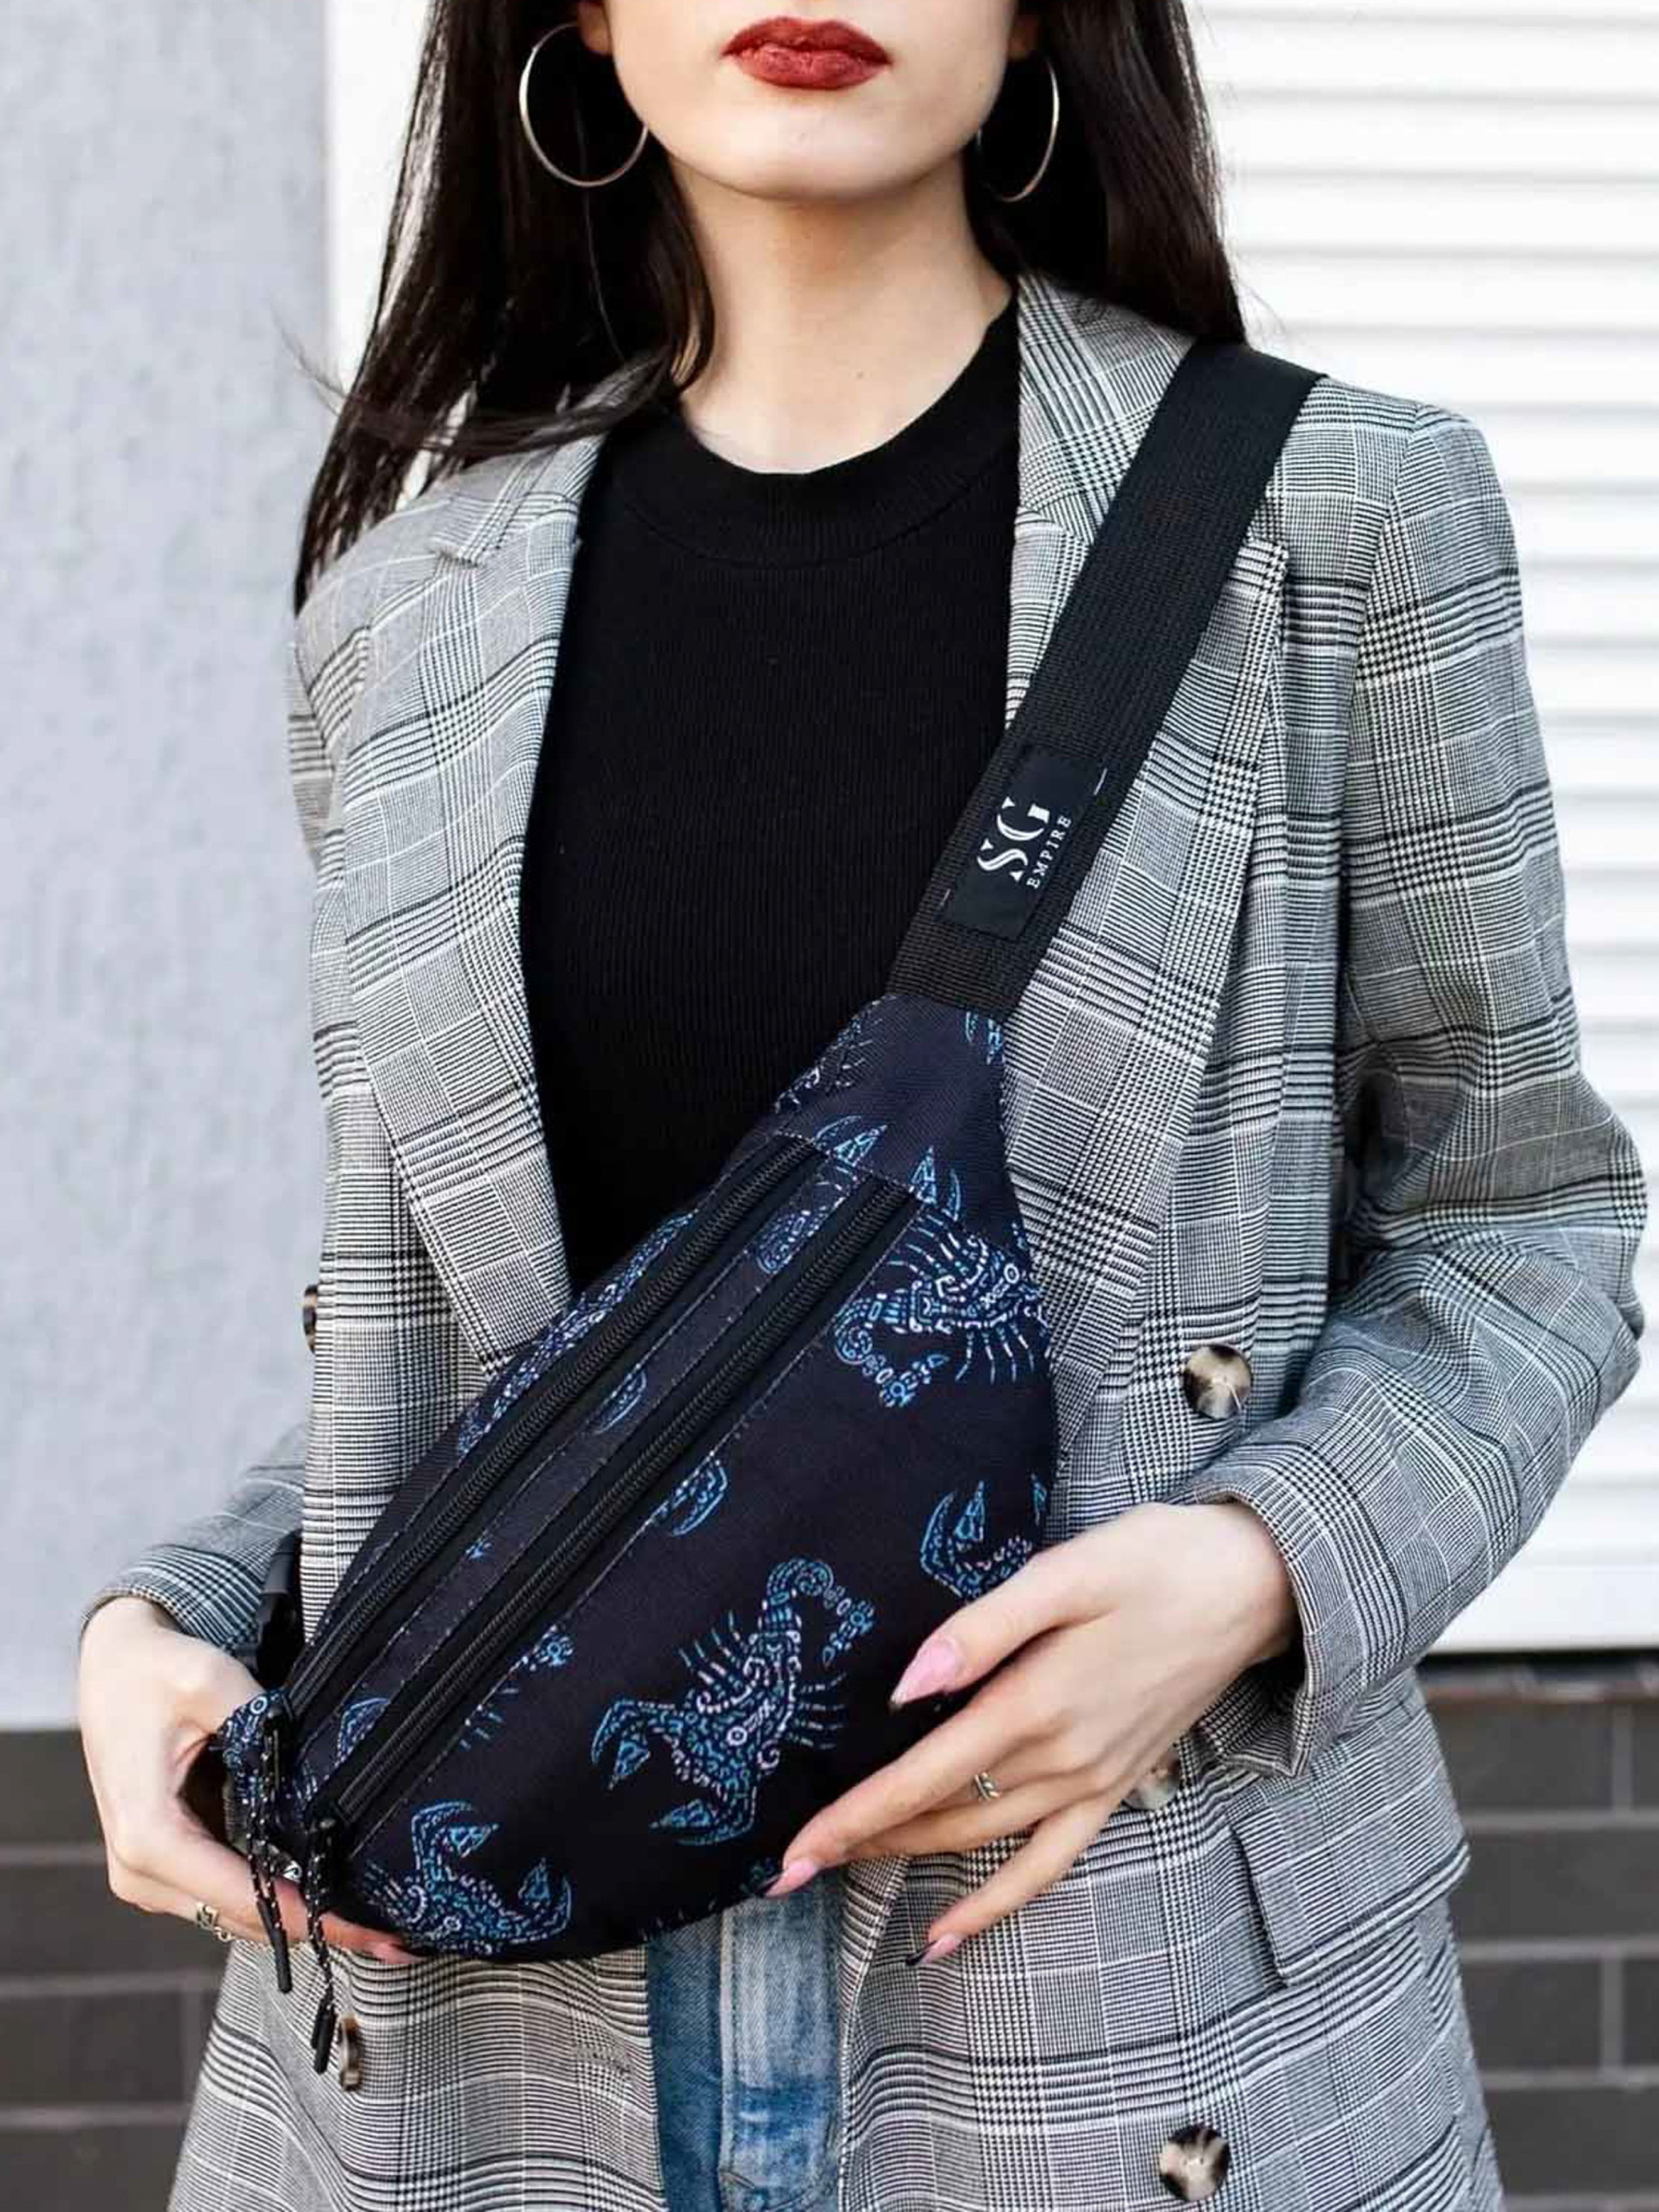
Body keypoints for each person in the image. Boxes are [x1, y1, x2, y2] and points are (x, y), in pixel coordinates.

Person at [77, 5, 1647, 2210]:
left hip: (1119, 1981)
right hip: (485, 2027)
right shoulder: (402, 626)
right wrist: (169, 1614)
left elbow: (1522, 1220)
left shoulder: (1333, 518)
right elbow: (481, 1356)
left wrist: (1259, 1564)